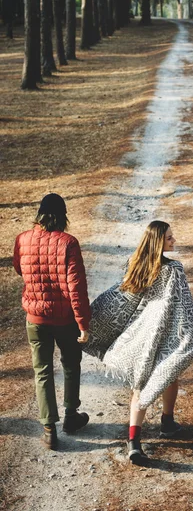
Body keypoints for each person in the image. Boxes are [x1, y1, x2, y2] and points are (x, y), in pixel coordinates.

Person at [84, 220, 193, 466]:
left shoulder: (135, 264)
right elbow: (187, 308)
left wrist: (93, 323)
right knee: (167, 371)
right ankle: (165, 422)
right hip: (163, 335)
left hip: (138, 337)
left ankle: (136, 440)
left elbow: (117, 300)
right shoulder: (174, 269)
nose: (174, 241)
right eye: (169, 238)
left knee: (144, 383)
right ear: (158, 242)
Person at [13, 193, 91, 450]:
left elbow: (18, 267)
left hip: (35, 319)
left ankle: (49, 429)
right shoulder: (68, 243)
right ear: (63, 216)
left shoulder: (22, 239)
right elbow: (76, 287)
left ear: (39, 214)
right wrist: (83, 323)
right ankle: (71, 416)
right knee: (71, 363)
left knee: (42, 371)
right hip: (65, 319)